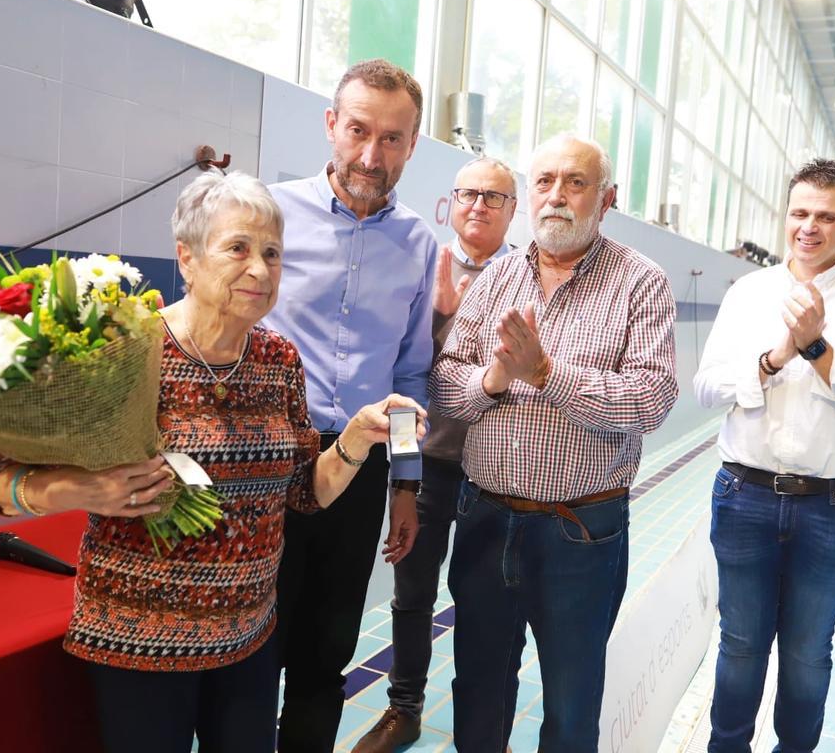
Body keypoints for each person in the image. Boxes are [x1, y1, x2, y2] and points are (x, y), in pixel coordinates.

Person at [0, 170, 426, 753]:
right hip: (141, 639)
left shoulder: (277, 358)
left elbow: (305, 493)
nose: (259, 269)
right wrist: (85, 491)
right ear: (186, 257)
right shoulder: (128, 348)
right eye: (238, 248)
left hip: (248, 638)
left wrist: (358, 435)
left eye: (273, 253)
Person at [430, 134, 679, 752]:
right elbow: (447, 386)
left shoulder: (641, 283)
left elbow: (650, 401)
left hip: (580, 531)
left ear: (607, 198)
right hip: (485, 516)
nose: (557, 197)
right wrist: (495, 378)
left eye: (576, 182)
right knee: (481, 686)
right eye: (544, 181)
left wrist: (546, 375)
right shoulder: (495, 280)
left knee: (571, 701)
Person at [694, 158, 835, 753]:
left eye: (825, 216)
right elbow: (706, 387)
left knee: (808, 652)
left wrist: (817, 348)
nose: (808, 227)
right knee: (739, 646)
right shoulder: (749, 292)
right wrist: (772, 359)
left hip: (834, 506)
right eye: (798, 213)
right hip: (745, 496)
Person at [260, 58, 438, 751]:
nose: (372, 155)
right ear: (332, 124)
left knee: (325, 649)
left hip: (360, 469)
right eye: (359, 130)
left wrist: (403, 482)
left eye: (392, 138)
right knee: (250, 643)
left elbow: (411, 374)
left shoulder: (419, 242)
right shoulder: (272, 214)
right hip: (268, 462)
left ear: (413, 144)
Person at [354, 157, 518, 752]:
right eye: (469, 193)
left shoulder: (528, 279)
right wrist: (402, 469)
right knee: (413, 593)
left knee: (486, 601)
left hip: (492, 473)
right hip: (424, 464)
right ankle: (405, 708)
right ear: (451, 202)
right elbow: (404, 371)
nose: (479, 205)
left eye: (494, 197)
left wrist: (450, 323)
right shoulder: (423, 266)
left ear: (511, 210)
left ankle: (480, 725)